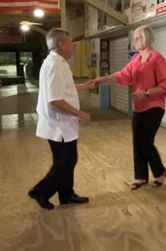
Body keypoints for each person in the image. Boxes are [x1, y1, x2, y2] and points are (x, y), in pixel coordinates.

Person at [93, 25, 166, 190]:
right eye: (134, 38)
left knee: (146, 142)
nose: (134, 41)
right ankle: (140, 177)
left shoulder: (157, 58)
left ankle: (160, 172)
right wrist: (104, 79)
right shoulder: (136, 59)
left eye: (137, 38)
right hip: (138, 106)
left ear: (146, 38)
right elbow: (123, 75)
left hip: (154, 105)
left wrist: (146, 92)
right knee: (138, 142)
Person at [29, 28, 95, 210]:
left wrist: (84, 86)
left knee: (65, 161)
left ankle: (66, 195)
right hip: (59, 125)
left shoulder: (56, 62)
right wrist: (80, 114)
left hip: (60, 124)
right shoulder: (56, 65)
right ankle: (41, 191)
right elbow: (55, 100)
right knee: (65, 162)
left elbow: (64, 88)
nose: (74, 45)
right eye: (71, 42)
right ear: (61, 44)